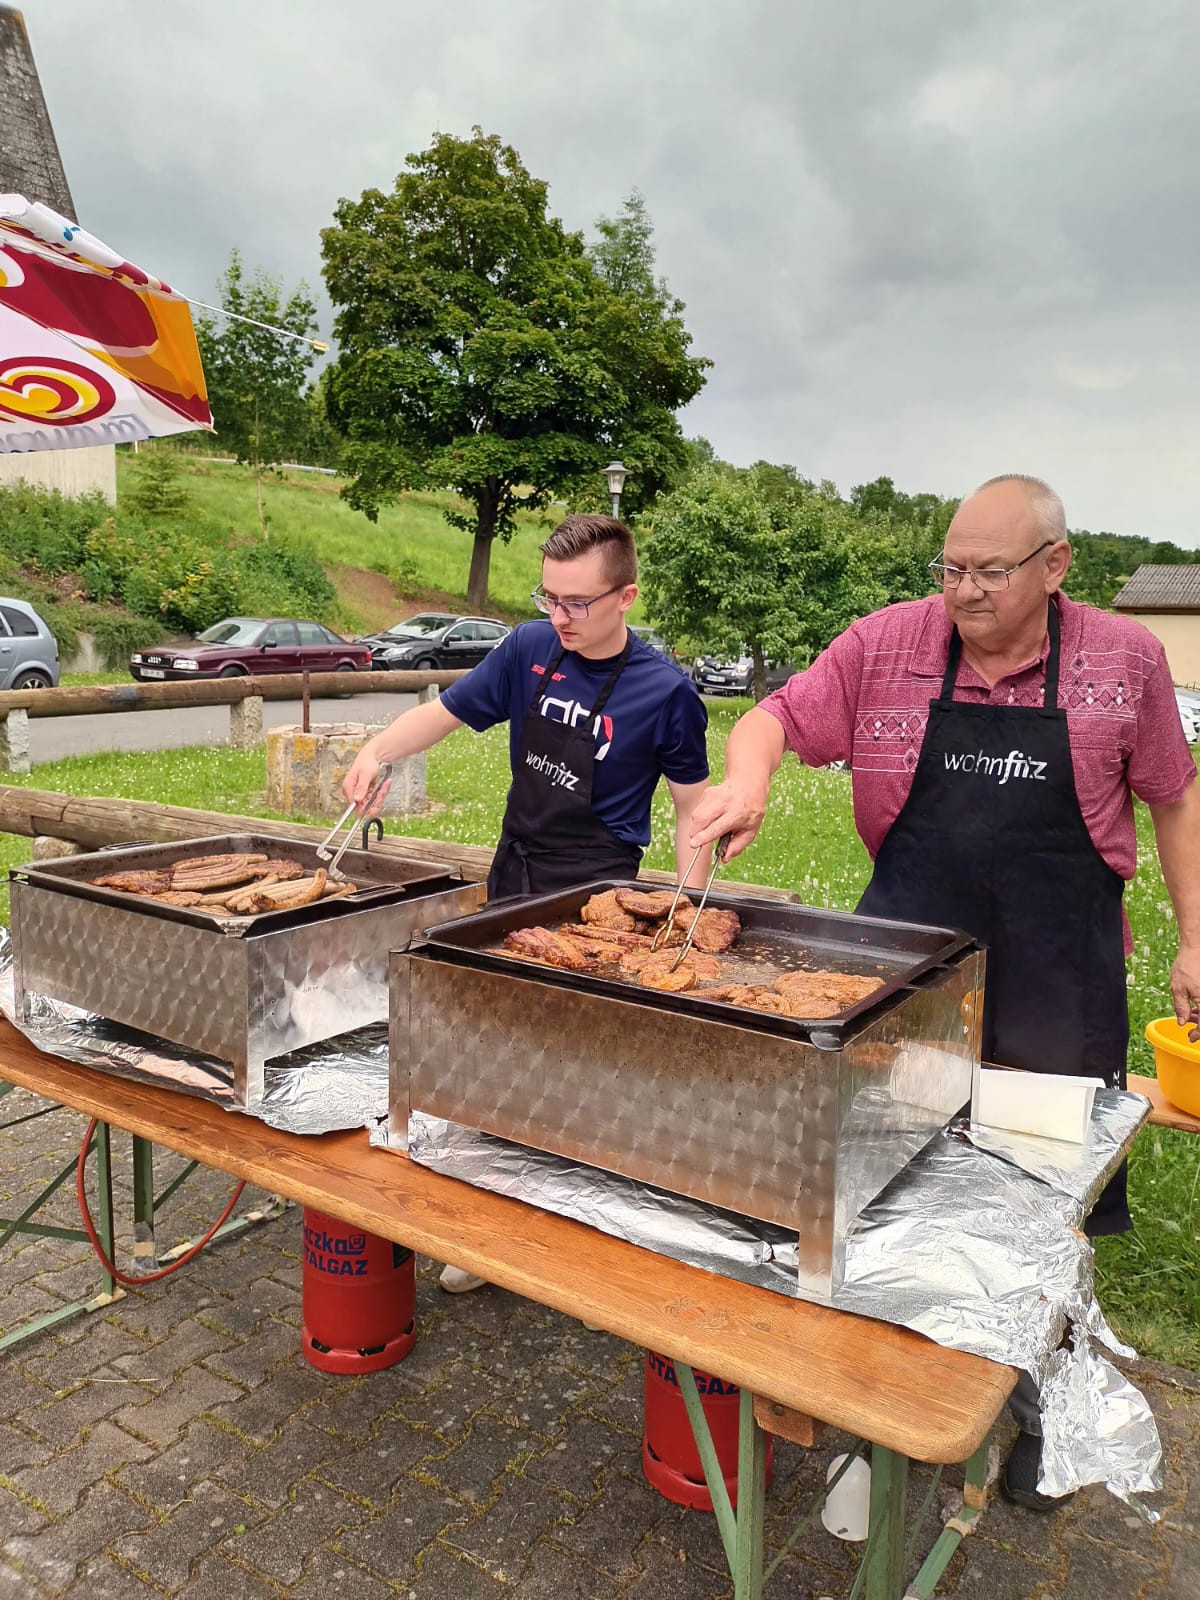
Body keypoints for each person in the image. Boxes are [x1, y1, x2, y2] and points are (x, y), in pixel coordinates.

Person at [688, 474, 1200, 1510]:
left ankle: (1041, 1406)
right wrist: (751, 776)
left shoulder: (1126, 661)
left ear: (1057, 567)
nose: (963, 591)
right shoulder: (889, 645)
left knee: (1045, 1205)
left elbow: (1175, 799)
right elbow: (776, 714)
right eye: (951, 567)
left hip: (1059, 976)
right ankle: (884, 1424)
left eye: (989, 571)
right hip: (908, 976)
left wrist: (1199, 939)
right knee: (895, 1192)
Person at [342, 512, 712, 1294]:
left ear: (627, 596)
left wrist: (688, 903)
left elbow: (691, 810)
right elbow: (441, 716)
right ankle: (487, 1226)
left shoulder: (667, 692)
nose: (560, 617)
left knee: (579, 1052)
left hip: (600, 889)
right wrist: (377, 751)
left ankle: (580, 1222)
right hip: (516, 868)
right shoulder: (527, 650)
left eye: (577, 602)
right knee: (500, 1034)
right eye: (549, 597)